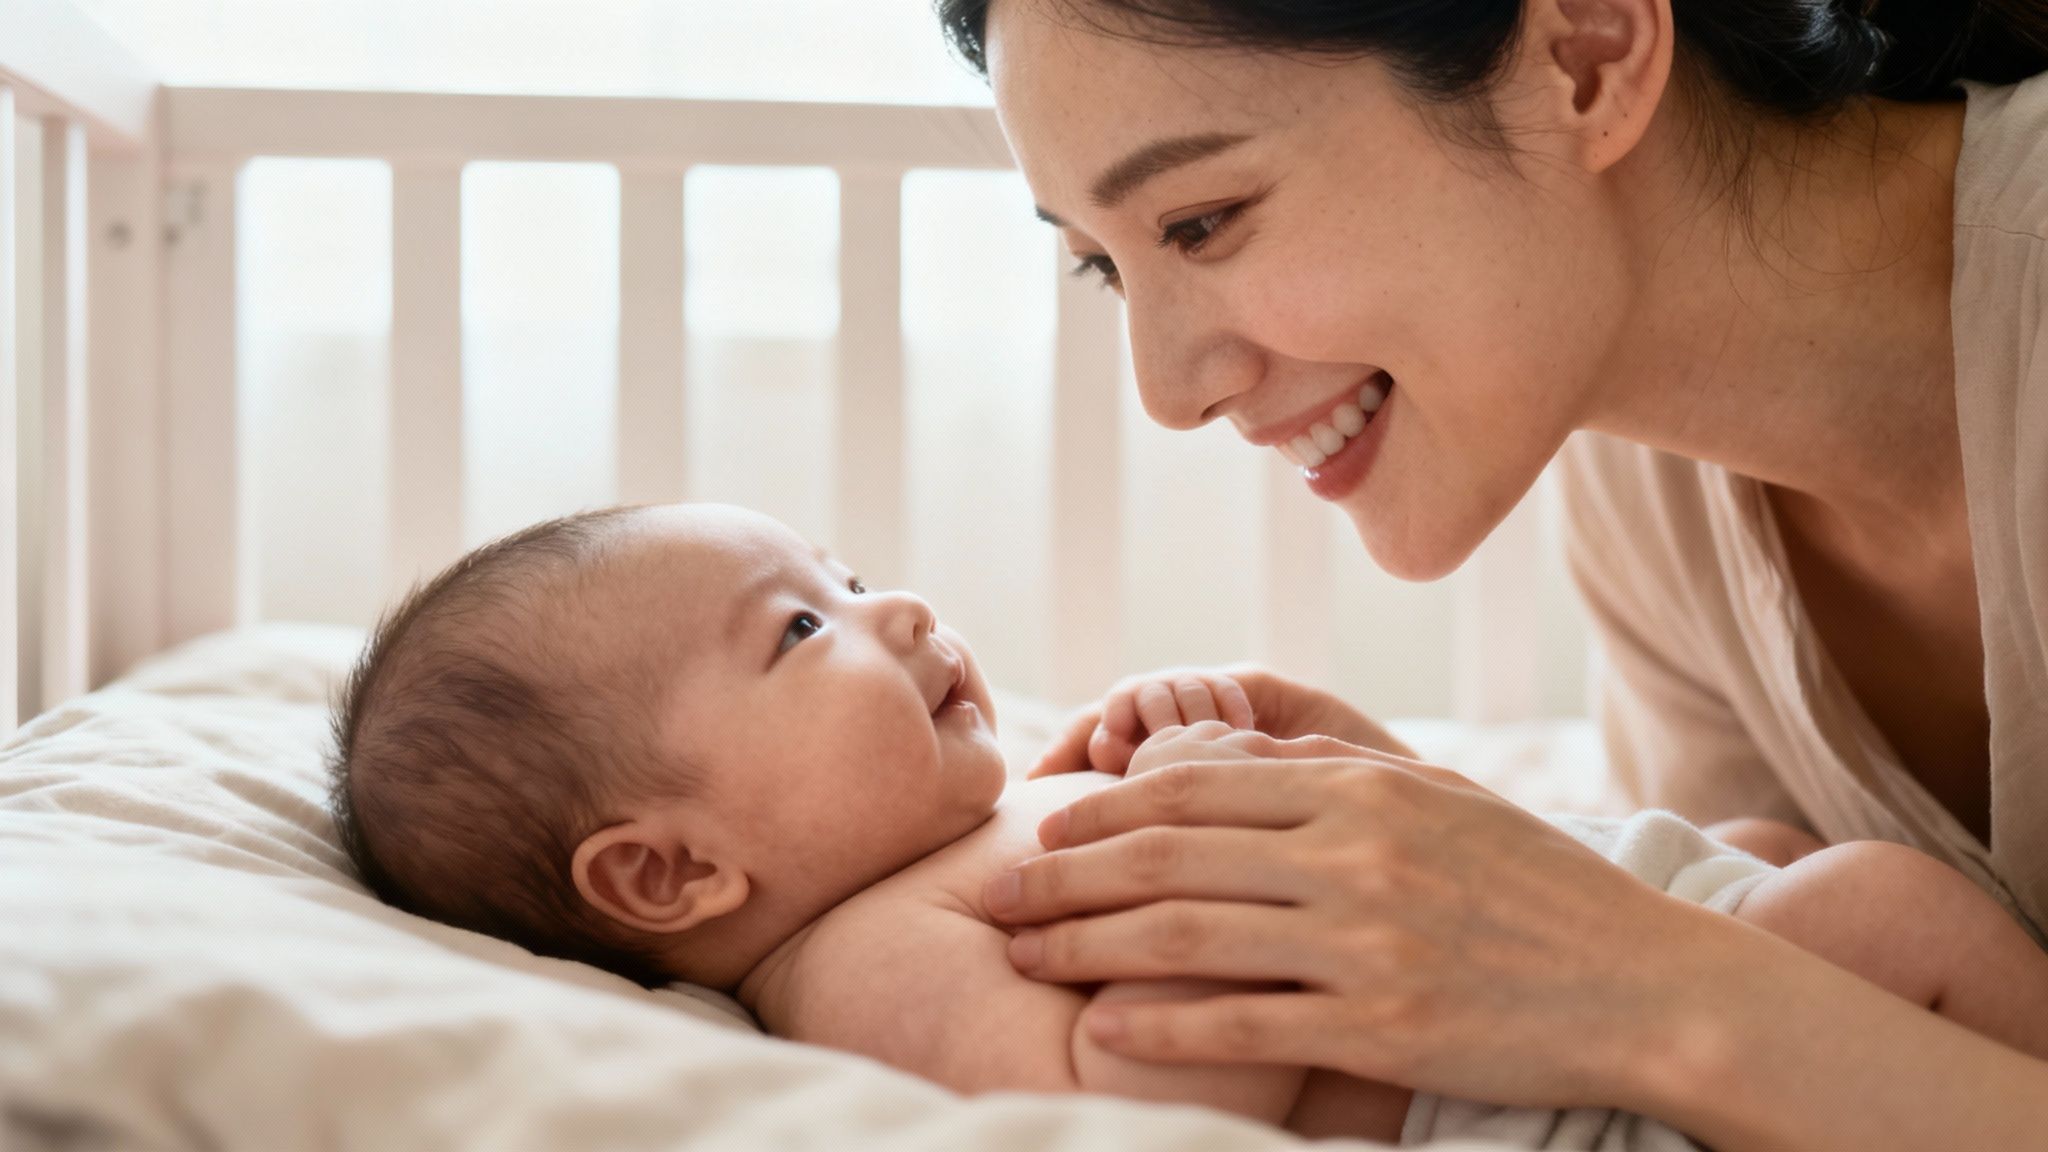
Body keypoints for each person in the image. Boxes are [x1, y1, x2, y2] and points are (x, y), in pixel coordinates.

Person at [931, 0, 2048, 1147]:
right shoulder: (1644, 491)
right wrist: (1471, 880)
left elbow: (1715, 1005)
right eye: (1101, 271)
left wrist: (1641, 992)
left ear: (1585, 55)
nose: (1167, 395)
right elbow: (1799, 1020)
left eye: (1202, 222)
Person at [328, 502, 2048, 1148]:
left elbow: (1441, 869)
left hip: (1592, 961)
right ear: (670, 868)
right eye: (799, 630)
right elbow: (1148, 1102)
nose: (898, 608)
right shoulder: (864, 962)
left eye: (844, 576)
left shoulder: (981, 834)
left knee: (1757, 837)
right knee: (1876, 910)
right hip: (1564, 1100)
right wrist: (1195, 820)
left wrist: (1319, 766)